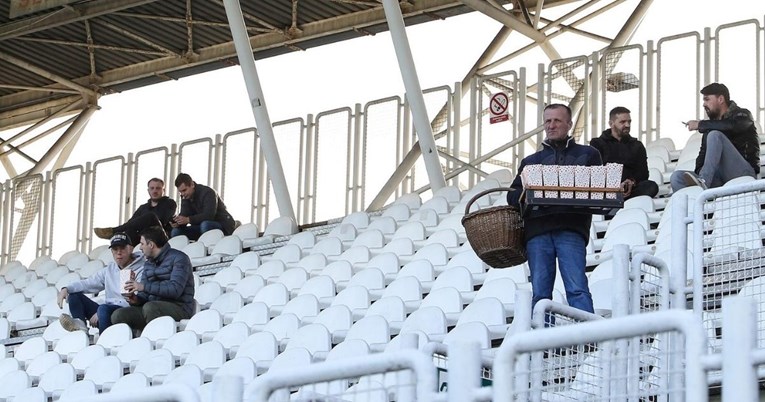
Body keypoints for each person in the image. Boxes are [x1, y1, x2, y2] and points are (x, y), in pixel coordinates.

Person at [507, 104, 600, 314]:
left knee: (576, 289)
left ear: (569, 124)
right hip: (537, 233)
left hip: (571, 229)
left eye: (557, 120)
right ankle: (544, 344)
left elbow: (599, 187)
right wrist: (527, 193)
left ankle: (588, 341)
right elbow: (512, 195)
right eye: (547, 121)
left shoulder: (589, 154)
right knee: (540, 294)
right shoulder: (530, 161)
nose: (551, 125)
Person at [670, 83, 760, 191]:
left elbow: (732, 125)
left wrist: (700, 124)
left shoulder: (742, 115)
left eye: (707, 99)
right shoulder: (710, 127)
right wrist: (698, 173)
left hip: (743, 173)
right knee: (677, 177)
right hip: (718, 178)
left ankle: (703, 183)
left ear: (721, 99)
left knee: (715, 135)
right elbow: (700, 161)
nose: (704, 104)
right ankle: (696, 201)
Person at [57, 232, 145, 333]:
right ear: (111, 252)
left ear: (130, 249)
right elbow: (88, 283)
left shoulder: (141, 269)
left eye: (122, 248)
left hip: (127, 313)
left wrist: (100, 312)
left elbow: (137, 300)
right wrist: (66, 288)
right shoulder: (110, 270)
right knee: (74, 296)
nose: (118, 253)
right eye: (115, 249)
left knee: (103, 309)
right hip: (106, 313)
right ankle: (81, 329)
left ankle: (104, 343)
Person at [111, 226, 195, 331]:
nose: (140, 248)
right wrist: (135, 299)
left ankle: (155, 340)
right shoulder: (148, 264)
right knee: (118, 315)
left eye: (142, 244)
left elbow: (175, 290)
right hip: (152, 307)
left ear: (151, 245)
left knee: (150, 308)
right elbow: (144, 295)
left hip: (179, 307)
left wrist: (143, 286)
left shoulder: (180, 258)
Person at [590, 106, 659, 199]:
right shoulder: (597, 143)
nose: (627, 125)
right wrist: (615, 185)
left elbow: (643, 173)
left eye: (629, 122)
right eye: (622, 122)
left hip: (630, 189)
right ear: (611, 123)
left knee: (651, 186)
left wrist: (631, 182)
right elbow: (595, 172)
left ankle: (621, 200)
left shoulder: (637, 145)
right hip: (607, 189)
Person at [94, 178, 177, 243]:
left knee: (151, 216)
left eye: (158, 188)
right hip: (143, 238)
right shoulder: (143, 208)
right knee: (129, 231)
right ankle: (117, 237)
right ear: (148, 190)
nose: (155, 191)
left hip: (161, 236)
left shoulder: (169, 203)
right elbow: (130, 223)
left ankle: (114, 231)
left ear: (163, 190)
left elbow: (162, 219)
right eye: (152, 188)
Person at [170, 173, 237, 240]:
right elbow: (184, 215)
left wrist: (188, 219)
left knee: (205, 225)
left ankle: (209, 249)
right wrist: (178, 223)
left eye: (184, 190)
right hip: (200, 226)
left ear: (192, 185)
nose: (182, 194)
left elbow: (209, 215)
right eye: (180, 192)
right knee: (176, 231)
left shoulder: (208, 192)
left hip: (223, 224)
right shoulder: (185, 197)